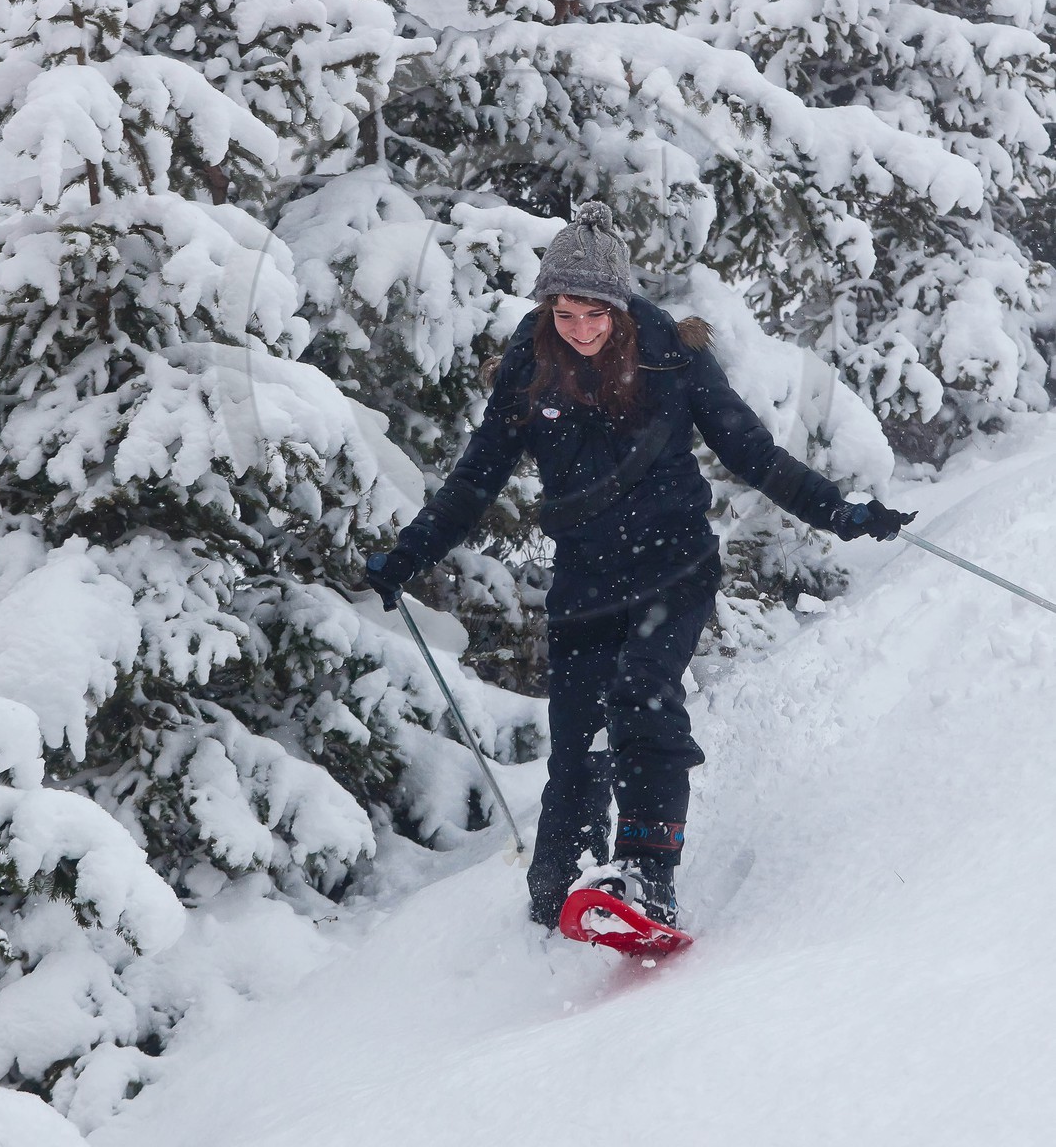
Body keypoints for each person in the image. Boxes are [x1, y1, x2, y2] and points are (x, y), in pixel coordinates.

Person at [365, 201, 914, 931]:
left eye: (595, 314)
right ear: (549, 306)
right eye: (566, 314)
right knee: (575, 748)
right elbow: (476, 479)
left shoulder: (669, 354)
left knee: (640, 698)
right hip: (583, 582)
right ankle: (562, 903)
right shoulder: (529, 367)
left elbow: (750, 452)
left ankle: (648, 878)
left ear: (620, 307)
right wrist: (410, 555)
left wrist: (837, 511)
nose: (582, 330)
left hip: (672, 566)